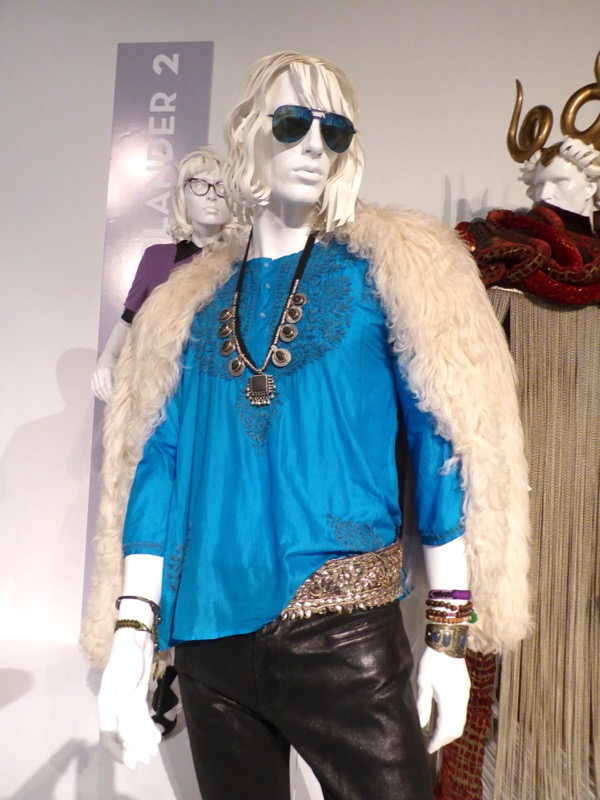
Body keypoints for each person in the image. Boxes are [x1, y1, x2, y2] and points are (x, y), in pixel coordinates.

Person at [81, 52, 530, 800]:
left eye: (335, 130)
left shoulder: (383, 277)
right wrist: (133, 631)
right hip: (209, 641)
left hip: (346, 633)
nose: (316, 144)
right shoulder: (188, 306)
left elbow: (443, 442)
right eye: (293, 123)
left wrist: (448, 637)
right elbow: (159, 461)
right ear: (248, 133)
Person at [450, 66, 600, 798]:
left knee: (576, 632)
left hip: (584, 474)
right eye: (543, 174)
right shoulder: (495, 254)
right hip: (516, 474)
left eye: (567, 175)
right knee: (499, 630)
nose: (549, 188)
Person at [91, 147, 231, 402]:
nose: (212, 195)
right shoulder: (156, 258)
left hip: (217, 388)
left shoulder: (242, 262)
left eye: (221, 186)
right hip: (163, 389)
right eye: (200, 184)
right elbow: (128, 322)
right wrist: (107, 359)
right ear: (183, 195)